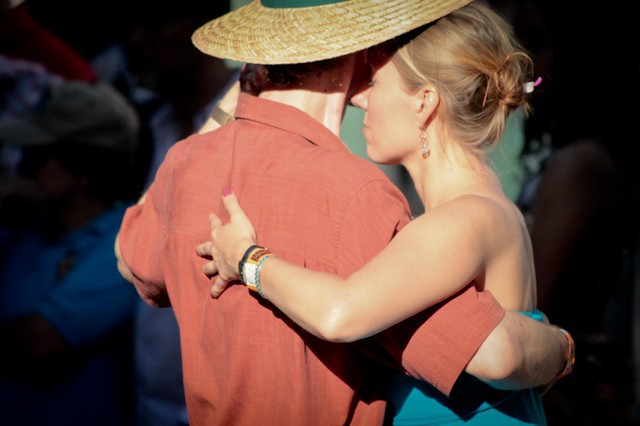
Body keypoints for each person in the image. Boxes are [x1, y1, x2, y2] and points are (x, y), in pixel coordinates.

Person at [115, 1, 571, 424]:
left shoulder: (189, 165)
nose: (360, 98)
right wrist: (558, 345)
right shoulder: (372, 198)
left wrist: (248, 261)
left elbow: (130, 254)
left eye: (375, 82)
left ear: (425, 102)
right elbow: (497, 351)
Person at [0, 76, 140, 425]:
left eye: (37, 157)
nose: (22, 169)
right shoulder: (24, 225)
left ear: (83, 168)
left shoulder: (124, 242)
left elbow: (42, 340)